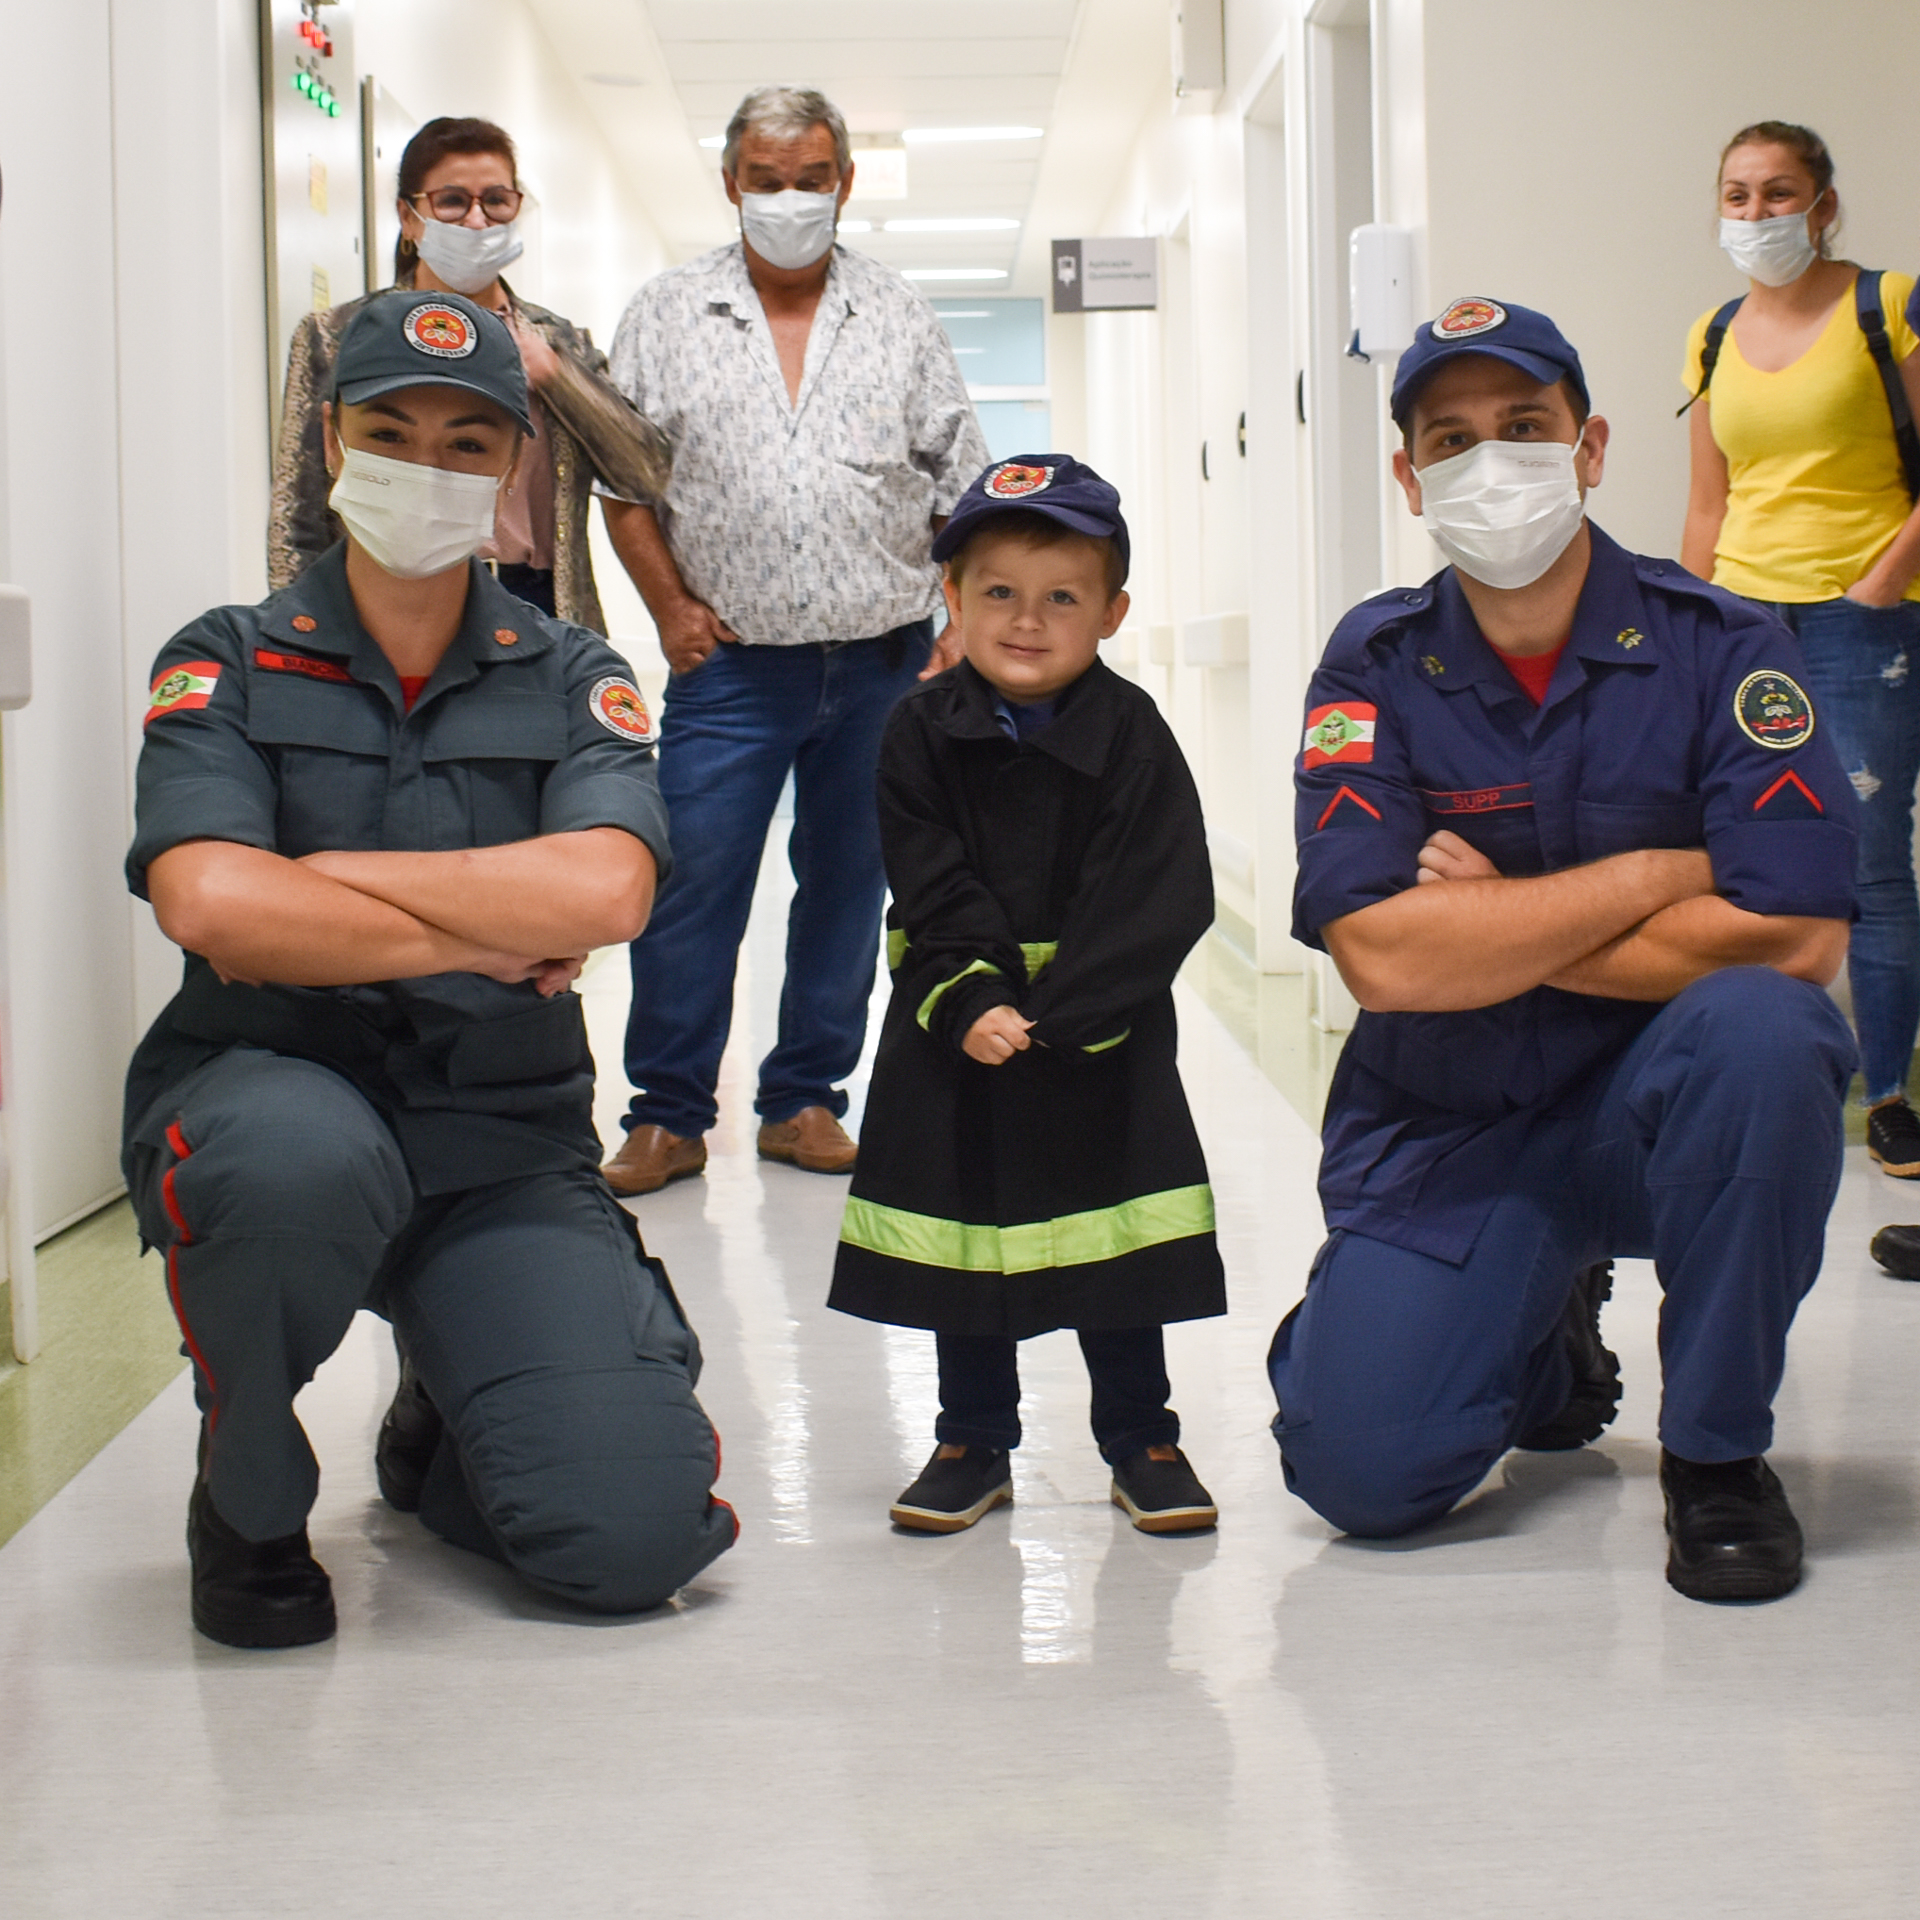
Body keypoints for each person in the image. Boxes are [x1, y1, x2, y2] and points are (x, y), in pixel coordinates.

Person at [127, 289, 735, 1648]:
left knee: (631, 1540)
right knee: (290, 1163)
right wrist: (483, 926)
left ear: (514, 464)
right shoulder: (226, 658)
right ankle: (248, 1498)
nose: (427, 465)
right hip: (278, 1091)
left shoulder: (572, 672)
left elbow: (608, 890)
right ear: (331, 442)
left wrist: (317, 879)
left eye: (468, 441)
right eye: (390, 431)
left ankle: (448, 1409)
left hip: (497, 1138)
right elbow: (211, 902)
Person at [1272, 298, 1858, 1603]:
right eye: (1452, 438)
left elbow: (1797, 931)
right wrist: (1664, 872)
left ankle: (1716, 1455)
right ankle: (1537, 1329)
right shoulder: (1373, 664)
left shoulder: (1725, 647)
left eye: (1525, 427)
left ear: (1589, 448)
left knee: (1768, 1031)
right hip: (1454, 1122)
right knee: (1362, 1473)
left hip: (1664, 1112)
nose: (1491, 461)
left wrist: (1498, 922)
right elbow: (1384, 959)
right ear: (1410, 475)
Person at [597, 85, 988, 1196]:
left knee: (849, 887)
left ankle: (806, 1099)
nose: (788, 199)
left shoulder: (897, 313)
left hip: (883, 662)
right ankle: (667, 1115)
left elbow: (964, 485)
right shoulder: (666, 314)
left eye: (810, 179)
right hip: (728, 669)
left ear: (844, 183)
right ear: (731, 183)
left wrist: (958, 623)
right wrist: (671, 609)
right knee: (692, 885)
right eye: (765, 181)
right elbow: (623, 485)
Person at [827, 455, 1225, 1535]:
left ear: (1112, 613)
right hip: (959, 1022)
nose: (1027, 620)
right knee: (972, 1238)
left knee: (1117, 1237)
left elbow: (1157, 888)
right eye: (998, 591)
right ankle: (971, 1436)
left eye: (1062, 597)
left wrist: (1072, 1016)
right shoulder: (918, 730)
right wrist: (973, 1002)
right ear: (952, 598)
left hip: (1102, 1030)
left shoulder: (1133, 731)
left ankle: (1141, 1435)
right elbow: (929, 879)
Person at [1681, 122, 1920, 1176]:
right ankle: (1768, 1072)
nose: (1757, 213)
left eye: (1779, 193)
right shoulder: (1713, 333)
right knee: (1746, 848)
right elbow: (1709, 499)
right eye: (1737, 195)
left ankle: (1892, 1093)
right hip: (1743, 621)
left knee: (1869, 861)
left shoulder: (1889, 306)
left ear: (1823, 205)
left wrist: (1881, 583)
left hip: (1861, 618)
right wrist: (1689, 624)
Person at [269, 114, 670, 629]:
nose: (477, 221)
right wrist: (299, 633)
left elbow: (646, 474)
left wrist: (558, 376)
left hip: (536, 603)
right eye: (452, 201)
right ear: (409, 217)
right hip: (382, 600)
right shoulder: (337, 335)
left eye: (497, 201)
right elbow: (297, 516)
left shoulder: (558, 342)